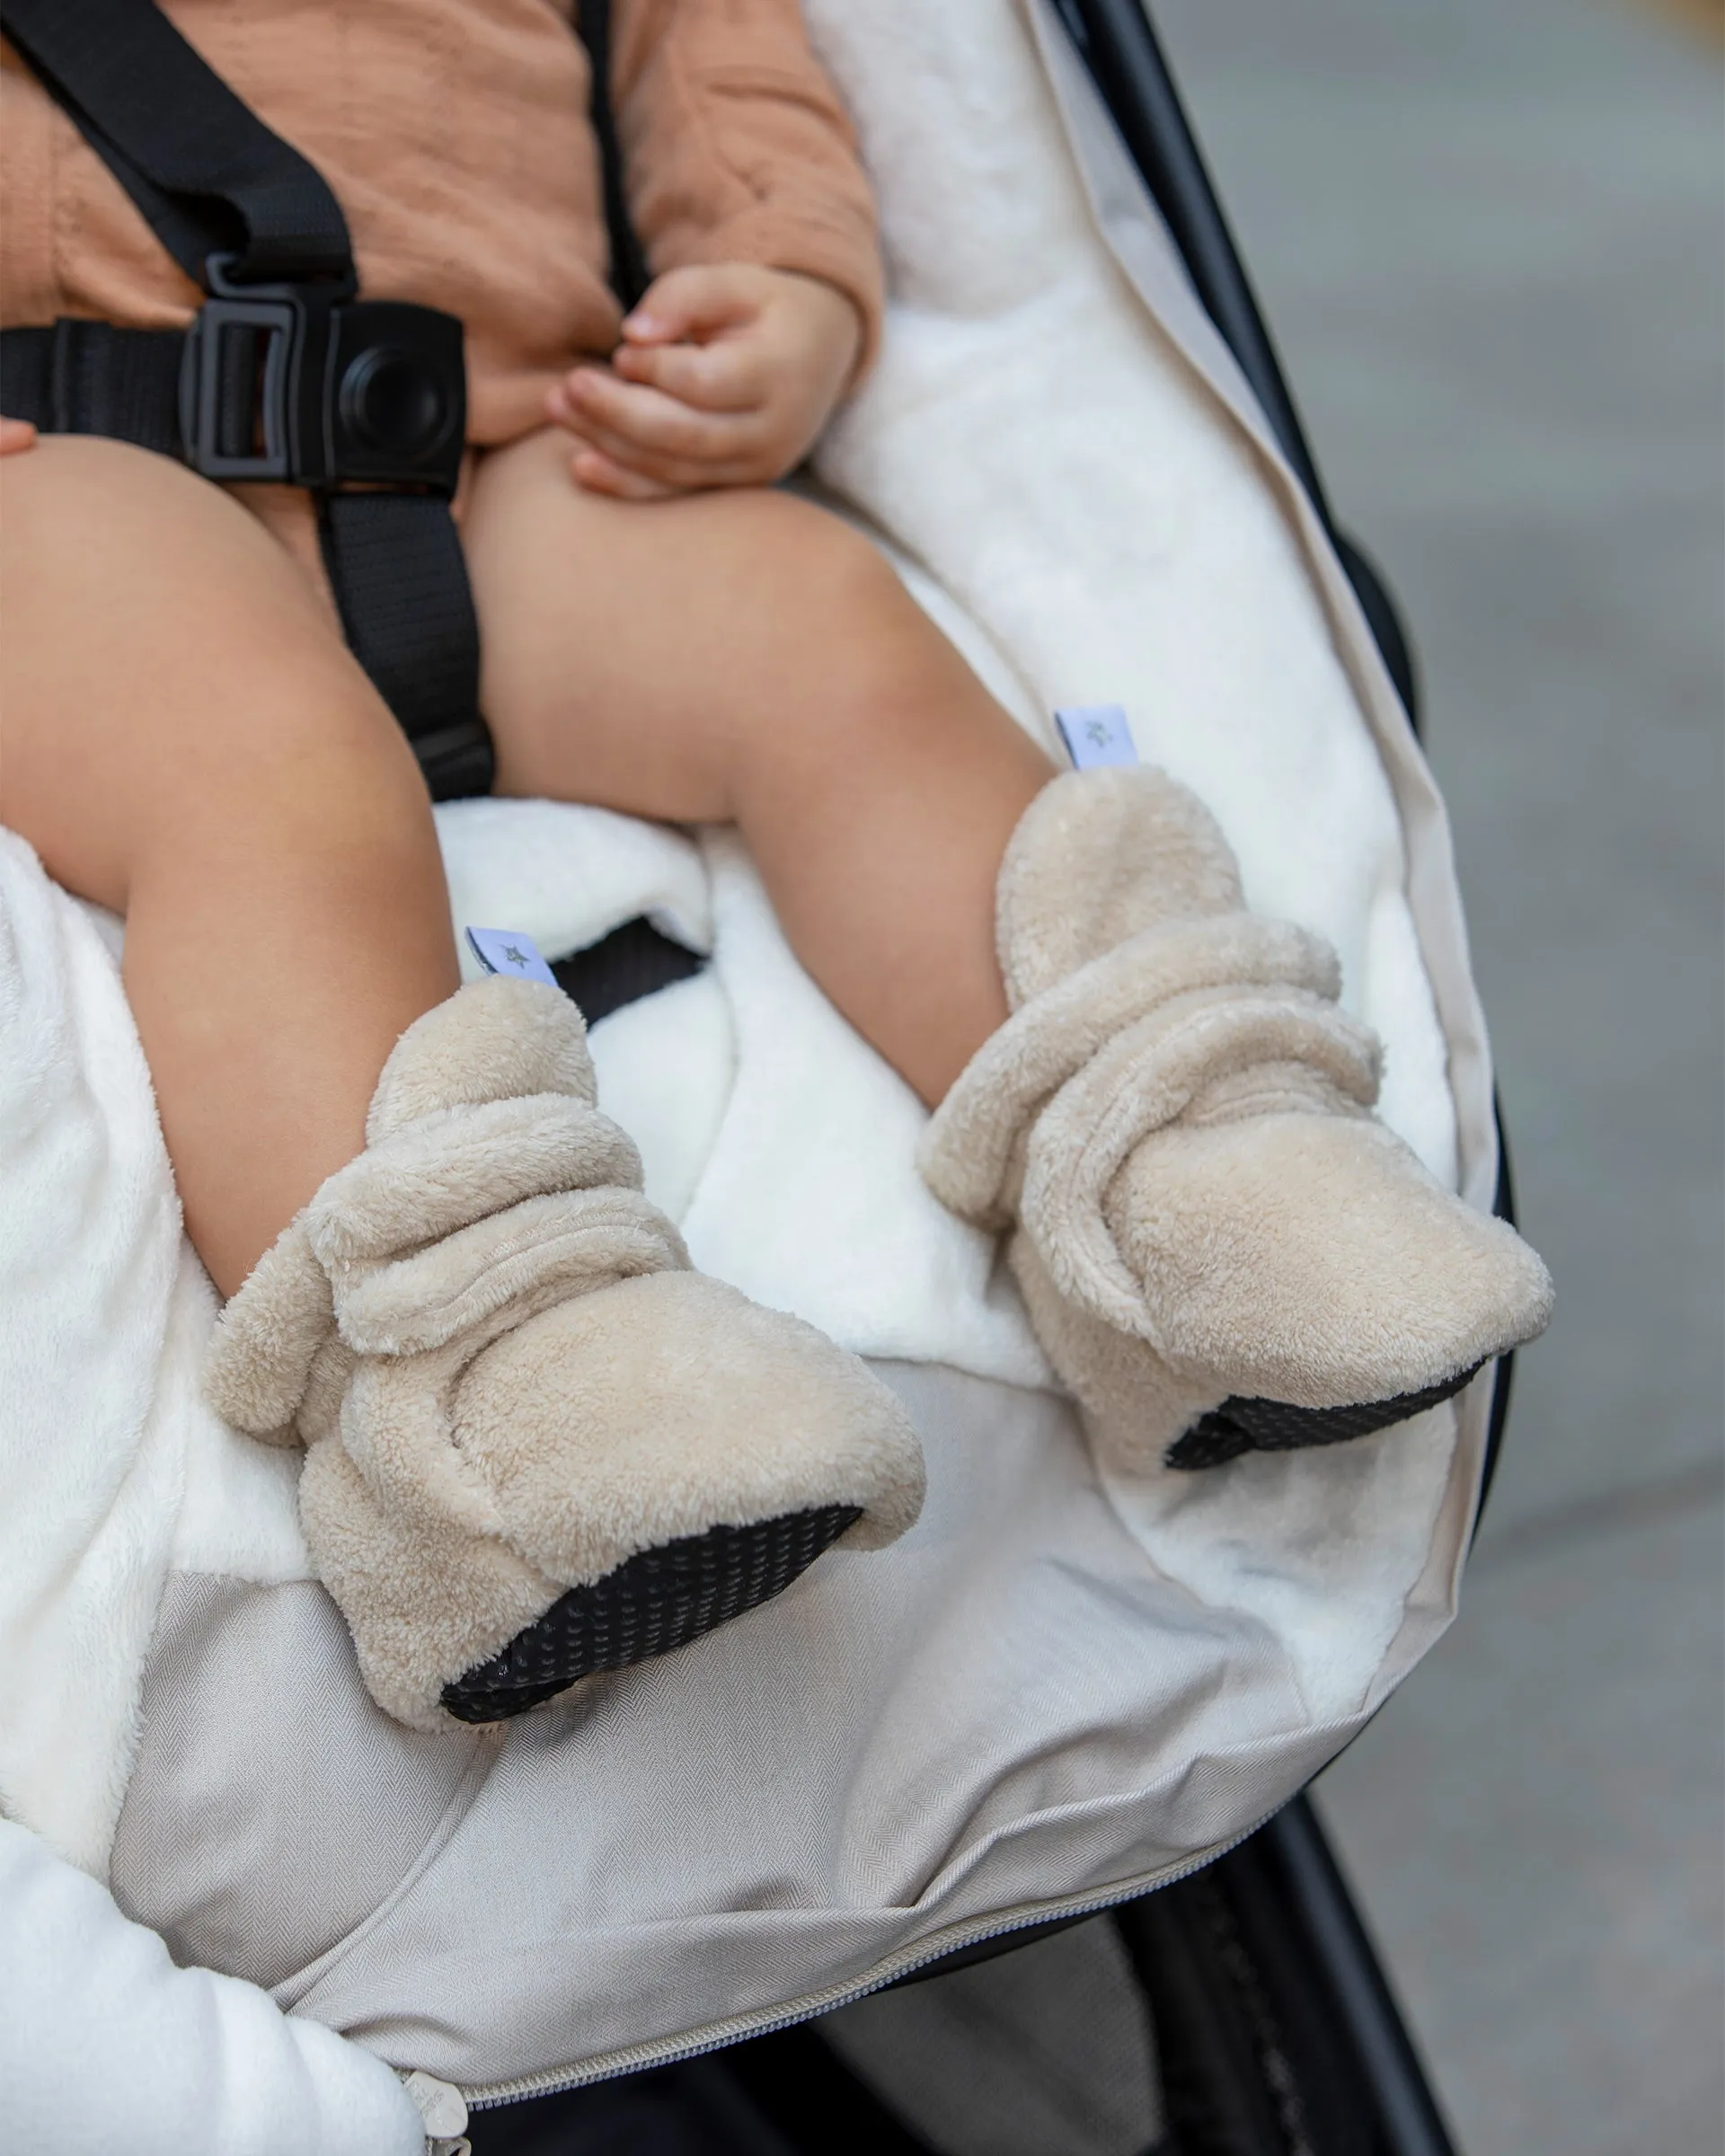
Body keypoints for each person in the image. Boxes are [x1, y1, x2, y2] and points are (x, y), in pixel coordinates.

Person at [0, 0, 1550, 1730]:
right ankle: (493, 1405)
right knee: (267, 767)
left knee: (824, 637)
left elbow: (720, 64)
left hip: (501, 451)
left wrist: (784, 288)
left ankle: (1185, 1182)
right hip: (61, 473)